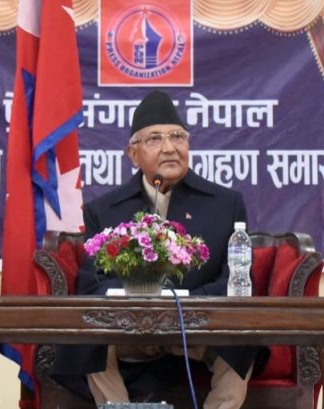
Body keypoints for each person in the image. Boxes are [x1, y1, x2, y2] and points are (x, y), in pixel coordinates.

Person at [51, 91, 262, 408]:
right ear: (133, 154)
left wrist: (185, 304)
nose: (169, 148)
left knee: (241, 341)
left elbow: (234, 280)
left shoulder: (225, 204)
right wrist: (138, 299)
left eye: (177, 137)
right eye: (154, 139)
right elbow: (93, 282)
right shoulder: (105, 210)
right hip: (129, 329)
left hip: (200, 327)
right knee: (90, 339)